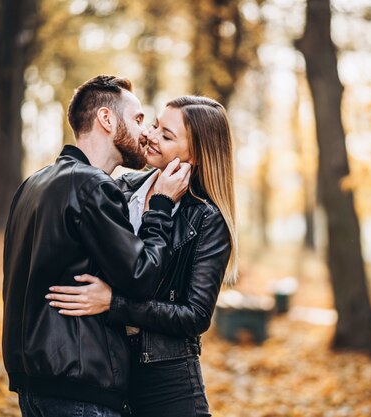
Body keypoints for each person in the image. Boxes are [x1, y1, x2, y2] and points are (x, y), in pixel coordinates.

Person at [2, 75, 191, 417]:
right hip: (79, 386)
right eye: (137, 120)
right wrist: (161, 204)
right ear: (106, 119)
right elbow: (142, 277)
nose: (145, 132)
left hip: (34, 385)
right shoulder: (91, 185)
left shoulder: (33, 184)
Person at [46, 96, 237, 417]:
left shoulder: (207, 218)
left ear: (196, 156)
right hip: (106, 367)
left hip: (167, 378)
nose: (150, 135)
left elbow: (195, 316)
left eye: (167, 136)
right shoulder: (119, 188)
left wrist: (113, 304)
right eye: (155, 126)